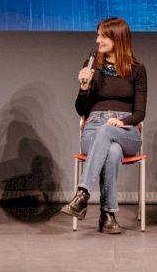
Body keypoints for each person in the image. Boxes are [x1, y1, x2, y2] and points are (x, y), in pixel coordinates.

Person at [59, 17, 148, 233]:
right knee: (113, 151)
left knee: (108, 132)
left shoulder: (137, 69)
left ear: (118, 38)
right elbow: (81, 110)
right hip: (94, 126)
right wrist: (83, 87)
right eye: (97, 35)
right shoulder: (92, 66)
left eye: (103, 36)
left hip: (126, 129)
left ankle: (82, 194)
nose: (97, 40)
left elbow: (139, 113)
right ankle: (108, 214)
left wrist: (121, 121)